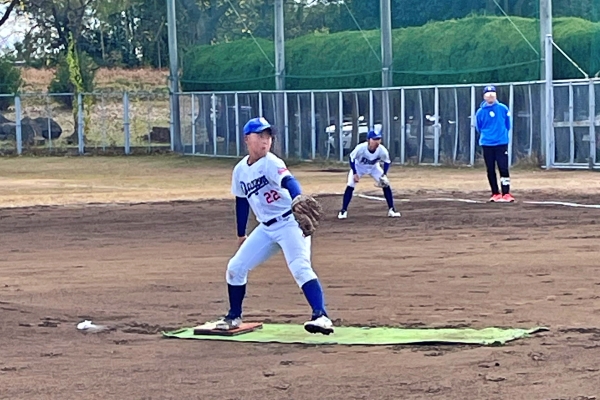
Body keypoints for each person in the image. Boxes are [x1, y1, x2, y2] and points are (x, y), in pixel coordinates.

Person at [213, 117, 334, 335]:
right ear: (247, 139)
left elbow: (289, 181)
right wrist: (241, 233)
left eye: (268, 136)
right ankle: (234, 316)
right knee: (235, 267)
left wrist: (297, 197)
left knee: (300, 267)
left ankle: (321, 316)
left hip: (290, 223)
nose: (265, 140)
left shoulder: (271, 162)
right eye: (260, 135)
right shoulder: (240, 170)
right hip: (266, 228)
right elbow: (241, 201)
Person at [337, 129, 402, 219]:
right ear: (368, 140)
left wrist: (384, 175)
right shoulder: (361, 148)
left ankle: (392, 210)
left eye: (378, 139)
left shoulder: (382, 150)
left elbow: (387, 161)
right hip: (359, 167)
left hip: (374, 168)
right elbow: (352, 158)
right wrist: (355, 173)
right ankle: (343, 211)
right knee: (350, 185)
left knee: (386, 184)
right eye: (374, 139)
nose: (377, 141)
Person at [475, 85, 515, 202]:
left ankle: (506, 193)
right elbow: (478, 127)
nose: (490, 96)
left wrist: (501, 135)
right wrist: (488, 135)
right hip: (487, 144)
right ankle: (495, 193)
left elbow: (508, 124)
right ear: (484, 97)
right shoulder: (480, 112)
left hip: (501, 143)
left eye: (492, 93)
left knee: (503, 168)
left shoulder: (503, 108)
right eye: (488, 94)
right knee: (490, 168)